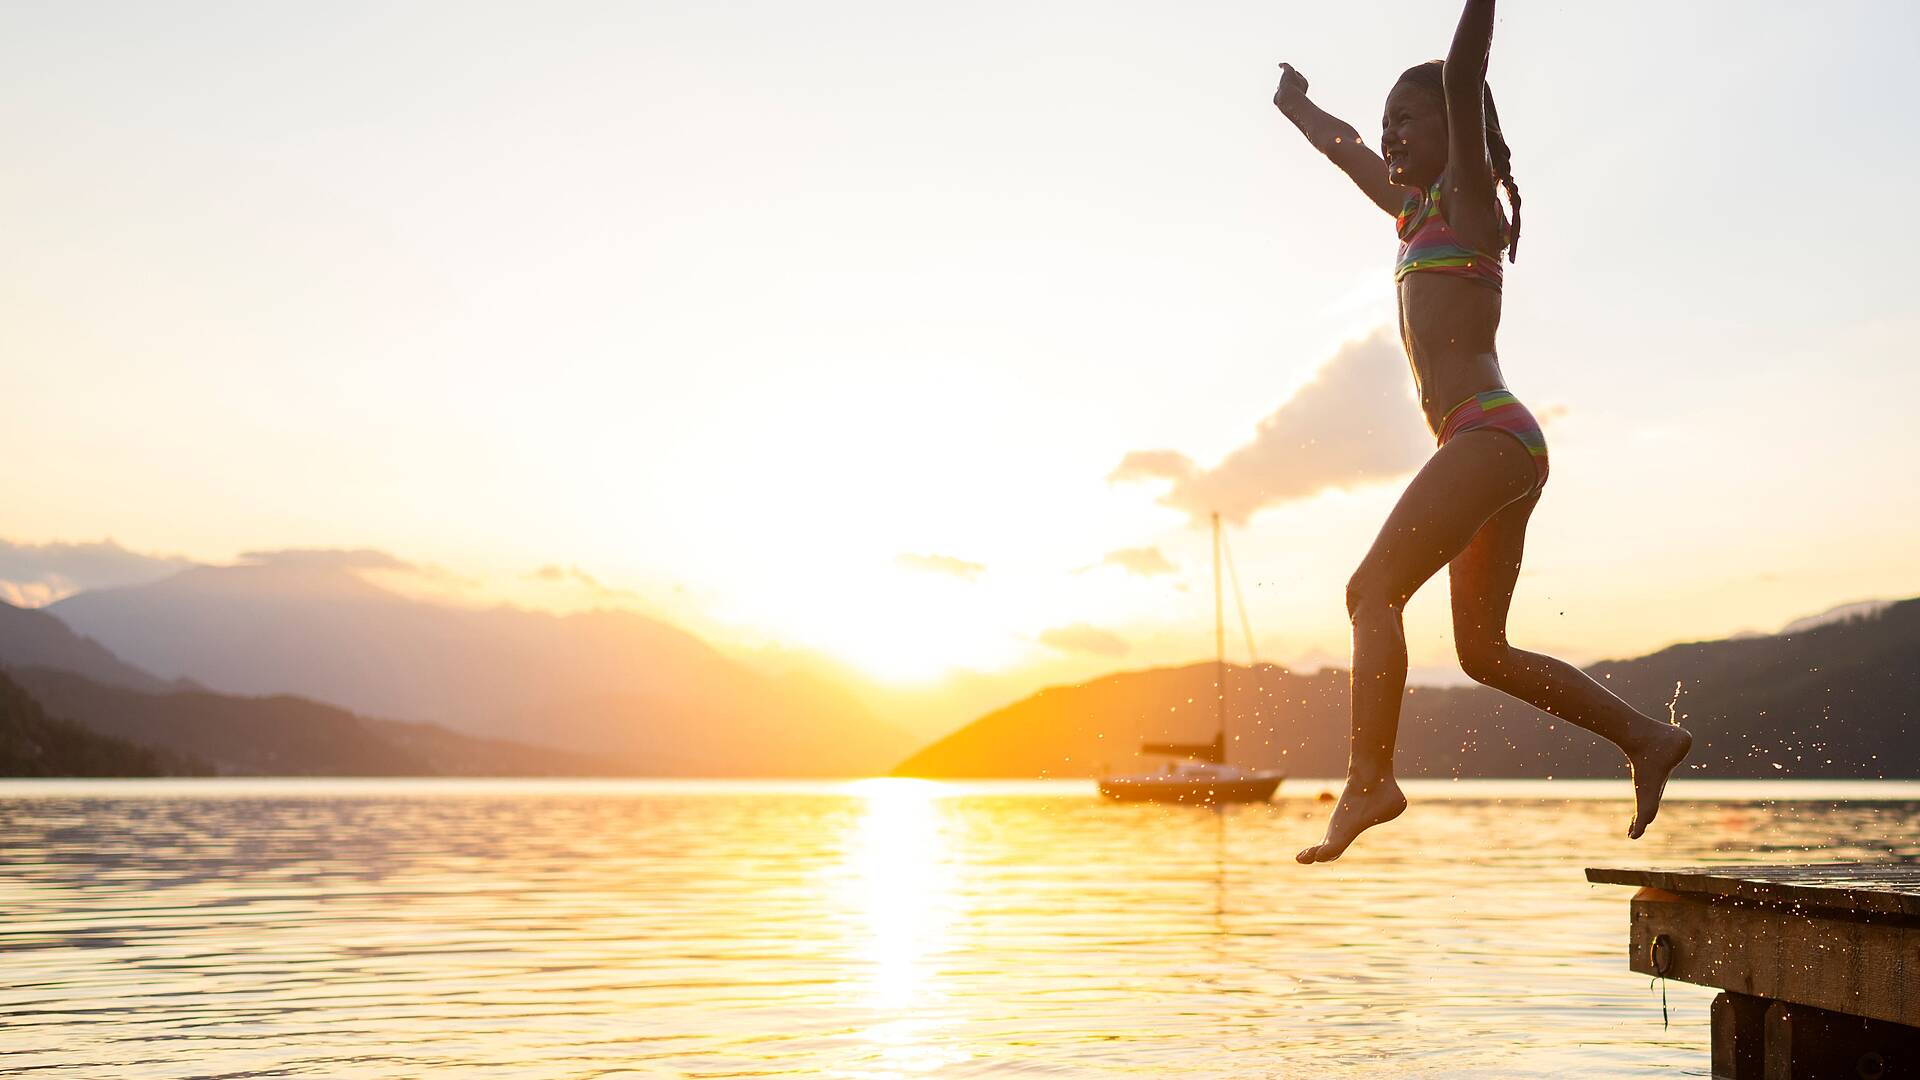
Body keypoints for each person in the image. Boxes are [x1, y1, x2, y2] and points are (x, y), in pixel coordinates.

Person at [1272, 0, 1692, 863]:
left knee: (1370, 593)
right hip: (1496, 448)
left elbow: (1464, 74)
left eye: (1407, 118)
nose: (1389, 133)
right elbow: (1343, 147)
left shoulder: (1468, 202)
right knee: (1483, 652)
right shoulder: (1411, 212)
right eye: (1386, 119)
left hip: (1488, 436)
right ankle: (1645, 737)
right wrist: (1297, 107)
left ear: (1456, 129)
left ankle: (1369, 779)